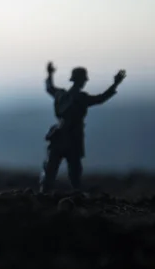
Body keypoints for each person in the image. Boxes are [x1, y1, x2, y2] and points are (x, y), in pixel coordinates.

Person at [39, 61, 126, 193]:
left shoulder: (60, 94)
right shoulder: (81, 98)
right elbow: (101, 98)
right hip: (73, 139)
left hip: (59, 137)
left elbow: (49, 87)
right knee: (73, 173)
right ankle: (73, 194)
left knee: (51, 171)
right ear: (81, 81)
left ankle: (45, 194)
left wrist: (50, 74)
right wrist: (115, 84)